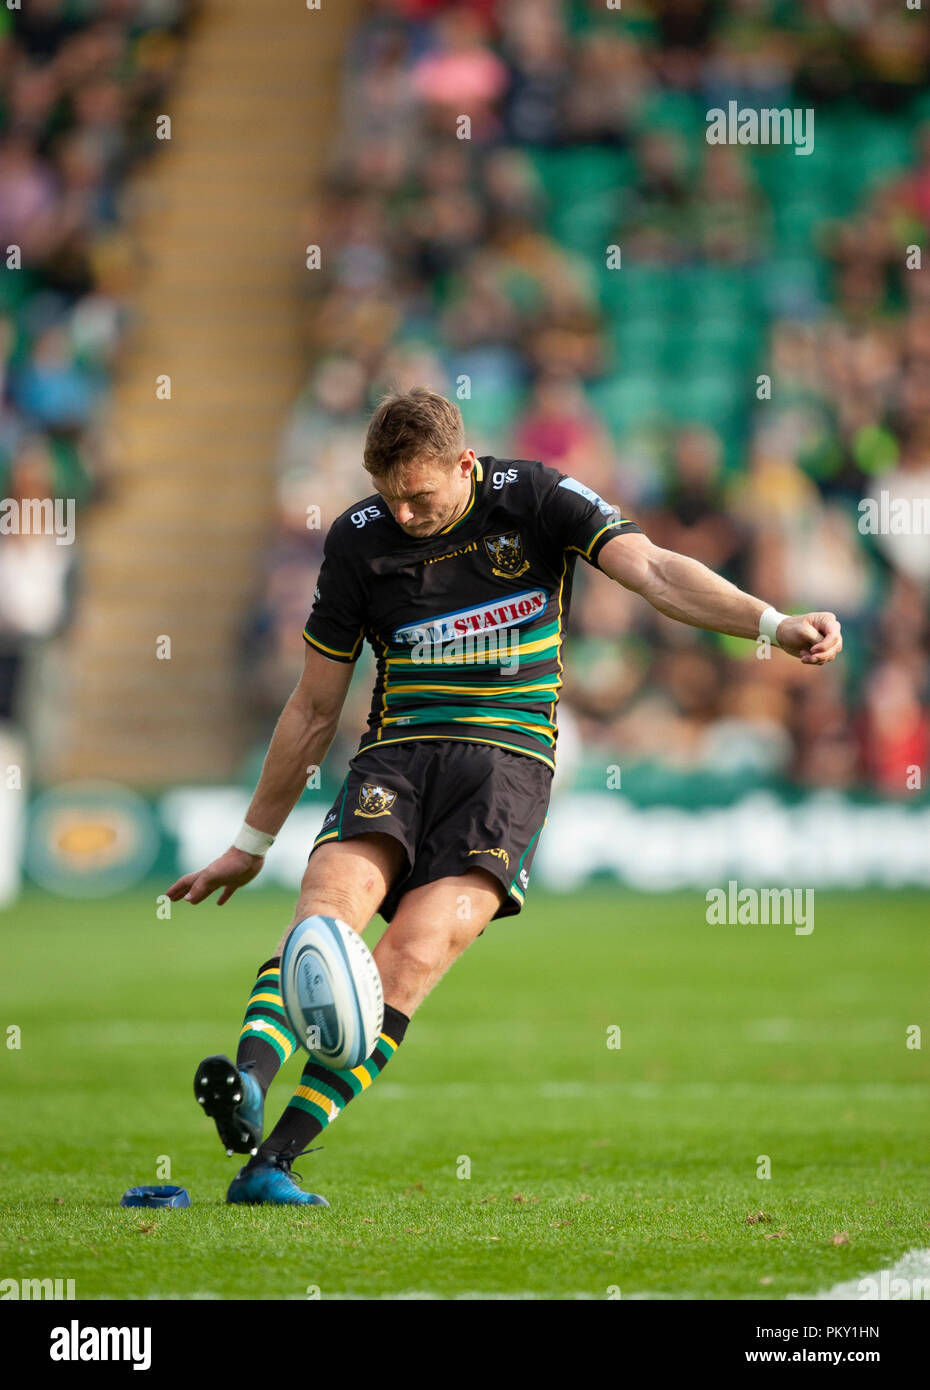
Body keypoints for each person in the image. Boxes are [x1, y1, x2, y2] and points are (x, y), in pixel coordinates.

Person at [166, 386, 843, 1206]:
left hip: (508, 770)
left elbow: (658, 572)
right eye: (392, 498)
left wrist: (772, 625)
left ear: (464, 463)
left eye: (422, 495)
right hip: (396, 756)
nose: (407, 514)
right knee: (326, 915)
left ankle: (271, 1165)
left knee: (412, 959)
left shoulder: (539, 499)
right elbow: (314, 708)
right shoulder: (358, 539)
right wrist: (251, 842)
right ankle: (244, 1082)